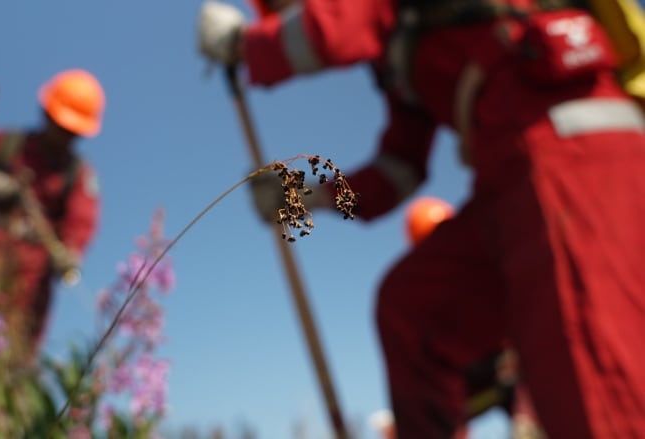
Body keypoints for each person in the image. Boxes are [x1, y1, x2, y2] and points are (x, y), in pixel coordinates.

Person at [197, 0, 645, 437]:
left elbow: (331, 28)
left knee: (594, 371)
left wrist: (244, 45)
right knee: (413, 311)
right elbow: (399, 169)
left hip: (573, 148)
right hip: (508, 181)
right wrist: (303, 197)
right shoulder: (409, 48)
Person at [0, 68, 104, 360]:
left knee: (16, 354)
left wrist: (71, 252)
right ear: (45, 112)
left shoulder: (78, 174)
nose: (65, 135)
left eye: (73, 131)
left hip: (33, 277)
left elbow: (82, 221)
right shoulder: (6, 144)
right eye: (61, 125)